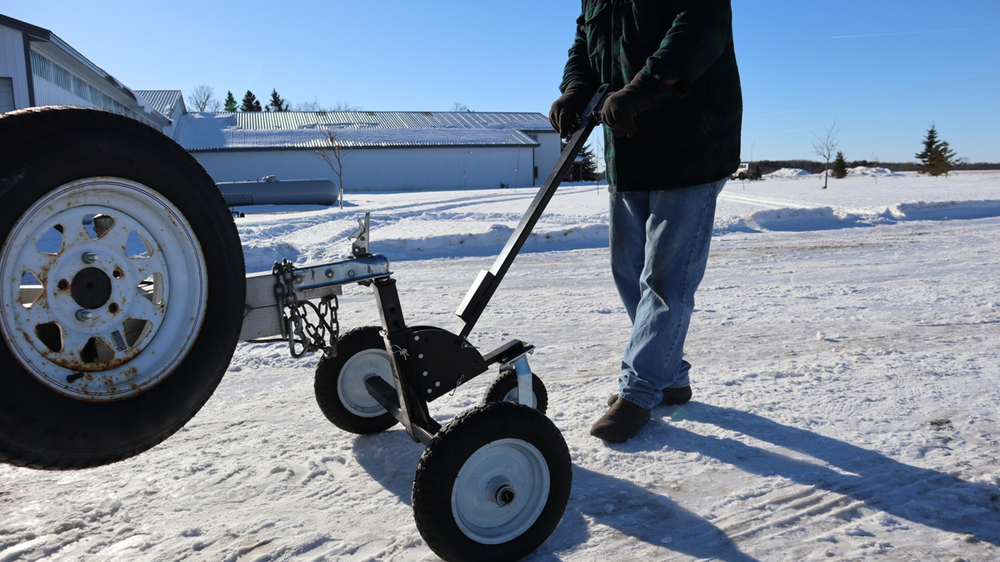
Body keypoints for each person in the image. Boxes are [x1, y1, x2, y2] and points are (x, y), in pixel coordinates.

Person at [549, 0, 742, 442]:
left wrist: (644, 88)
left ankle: (639, 391)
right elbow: (585, 40)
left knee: (666, 279)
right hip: (629, 148)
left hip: (691, 144)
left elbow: (700, 25)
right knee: (628, 270)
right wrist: (577, 88)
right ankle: (670, 376)